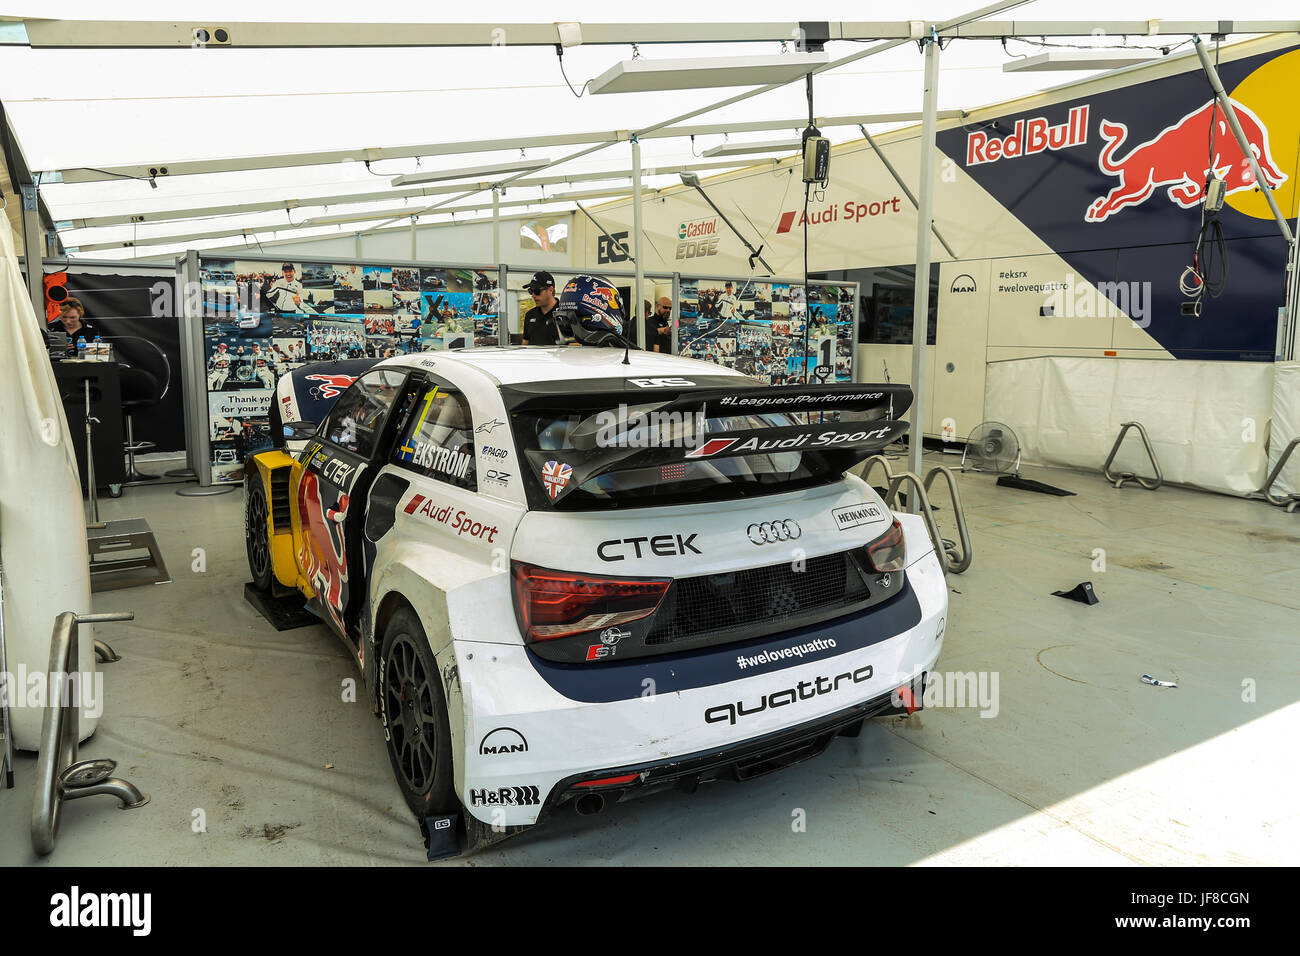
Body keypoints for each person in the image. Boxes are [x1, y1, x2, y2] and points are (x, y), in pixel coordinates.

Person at [521, 271, 562, 346]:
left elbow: (575, 345)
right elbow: (525, 343)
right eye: (531, 291)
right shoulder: (530, 315)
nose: (533, 295)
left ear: (550, 290)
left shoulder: (565, 314)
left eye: (536, 291)